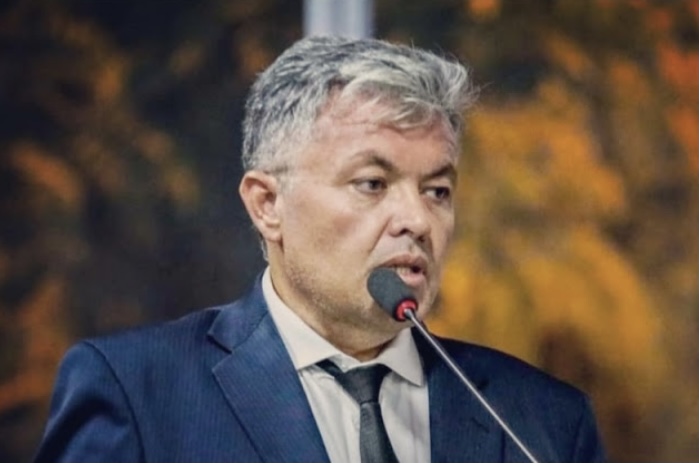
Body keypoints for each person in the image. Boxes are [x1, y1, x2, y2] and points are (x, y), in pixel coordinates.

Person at [34, 36, 606, 463]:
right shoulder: (136, 393)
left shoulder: (543, 421)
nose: (417, 220)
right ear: (267, 204)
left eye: (437, 191)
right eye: (372, 184)